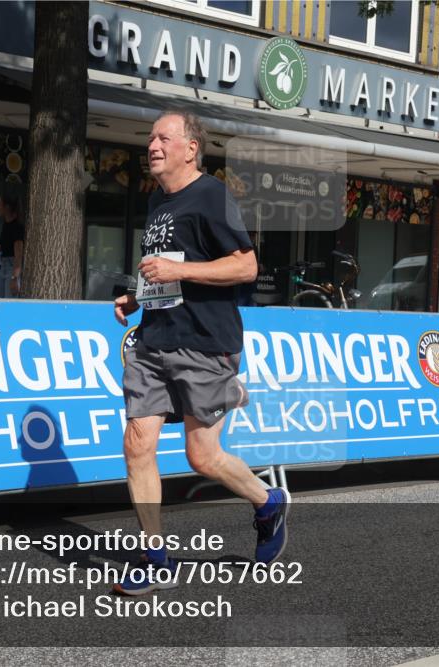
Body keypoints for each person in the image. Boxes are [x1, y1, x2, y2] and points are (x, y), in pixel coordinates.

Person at [112, 110, 290, 595]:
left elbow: (246, 267)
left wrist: (179, 274)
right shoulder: (157, 203)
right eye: (150, 137)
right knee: (137, 443)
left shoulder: (211, 194)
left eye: (163, 137)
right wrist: (137, 296)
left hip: (206, 344)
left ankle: (267, 501)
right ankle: (155, 559)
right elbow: (167, 272)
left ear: (190, 148)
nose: (152, 144)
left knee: (202, 456)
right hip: (154, 340)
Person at [0, 194, 24, 298]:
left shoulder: (17, 226)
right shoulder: (5, 224)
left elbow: (18, 254)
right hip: (3, 266)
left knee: (9, 302)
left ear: (7, 207)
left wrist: (15, 277)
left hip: (12, 267)